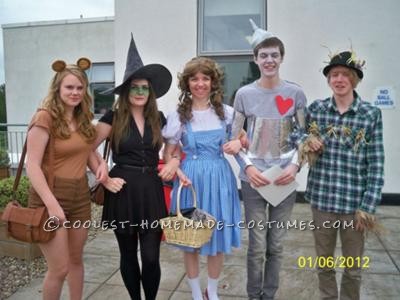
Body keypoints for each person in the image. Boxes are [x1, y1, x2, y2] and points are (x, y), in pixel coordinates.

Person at [93, 35, 176, 300]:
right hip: (123, 191)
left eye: (145, 87)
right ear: (126, 91)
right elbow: (85, 148)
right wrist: (104, 178)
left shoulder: (159, 118)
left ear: (151, 92)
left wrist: (173, 161)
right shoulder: (112, 118)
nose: (140, 92)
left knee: (151, 258)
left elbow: (177, 146)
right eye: (135, 87)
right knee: (128, 254)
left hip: (151, 189)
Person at [229, 20, 307, 299]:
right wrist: (248, 168)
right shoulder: (244, 95)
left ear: (281, 58)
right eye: (264, 55)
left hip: (283, 179)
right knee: (257, 245)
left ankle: (269, 294)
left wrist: (295, 165)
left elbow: (304, 137)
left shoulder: (295, 94)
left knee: (276, 245)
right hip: (254, 181)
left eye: (274, 54)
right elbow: (235, 140)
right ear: (255, 59)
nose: (269, 60)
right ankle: (254, 295)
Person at [300, 49, 384, 300]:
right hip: (322, 201)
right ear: (329, 79)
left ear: (354, 79)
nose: (339, 79)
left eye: (345, 75)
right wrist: (307, 139)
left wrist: (367, 207)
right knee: (324, 264)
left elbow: (377, 163)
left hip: (353, 206)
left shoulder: (370, 115)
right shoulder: (317, 110)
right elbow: (294, 134)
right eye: (334, 74)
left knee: (353, 268)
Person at [26, 58, 108, 300]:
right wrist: (52, 205)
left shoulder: (83, 120)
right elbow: (32, 165)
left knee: (75, 261)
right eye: (69, 87)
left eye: (80, 88)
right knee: (59, 268)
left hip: (80, 197)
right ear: (58, 89)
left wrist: (101, 164)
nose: (75, 92)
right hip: (50, 195)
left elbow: (87, 151)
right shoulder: (44, 118)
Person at [162, 57, 242, 300]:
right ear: (187, 84)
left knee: (216, 237)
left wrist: (239, 141)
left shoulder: (227, 113)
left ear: (213, 82)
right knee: (191, 239)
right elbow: (169, 152)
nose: (200, 83)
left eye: (205, 78)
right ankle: (197, 293)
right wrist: (175, 167)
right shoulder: (178, 115)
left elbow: (244, 138)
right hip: (191, 180)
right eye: (194, 79)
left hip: (220, 179)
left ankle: (213, 292)